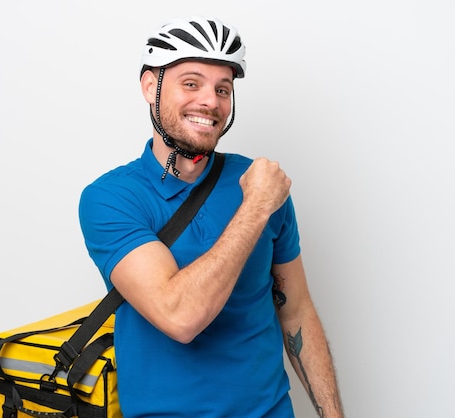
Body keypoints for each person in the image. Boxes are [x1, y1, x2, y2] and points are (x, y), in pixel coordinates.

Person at [79, 16, 344, 417]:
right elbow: (180, 317)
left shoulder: (259, 180)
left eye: (223, 89)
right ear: (150, 86)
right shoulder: (112, 198)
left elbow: (297, 310)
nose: (210, 101)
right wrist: (254, 207)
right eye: (191, 83)